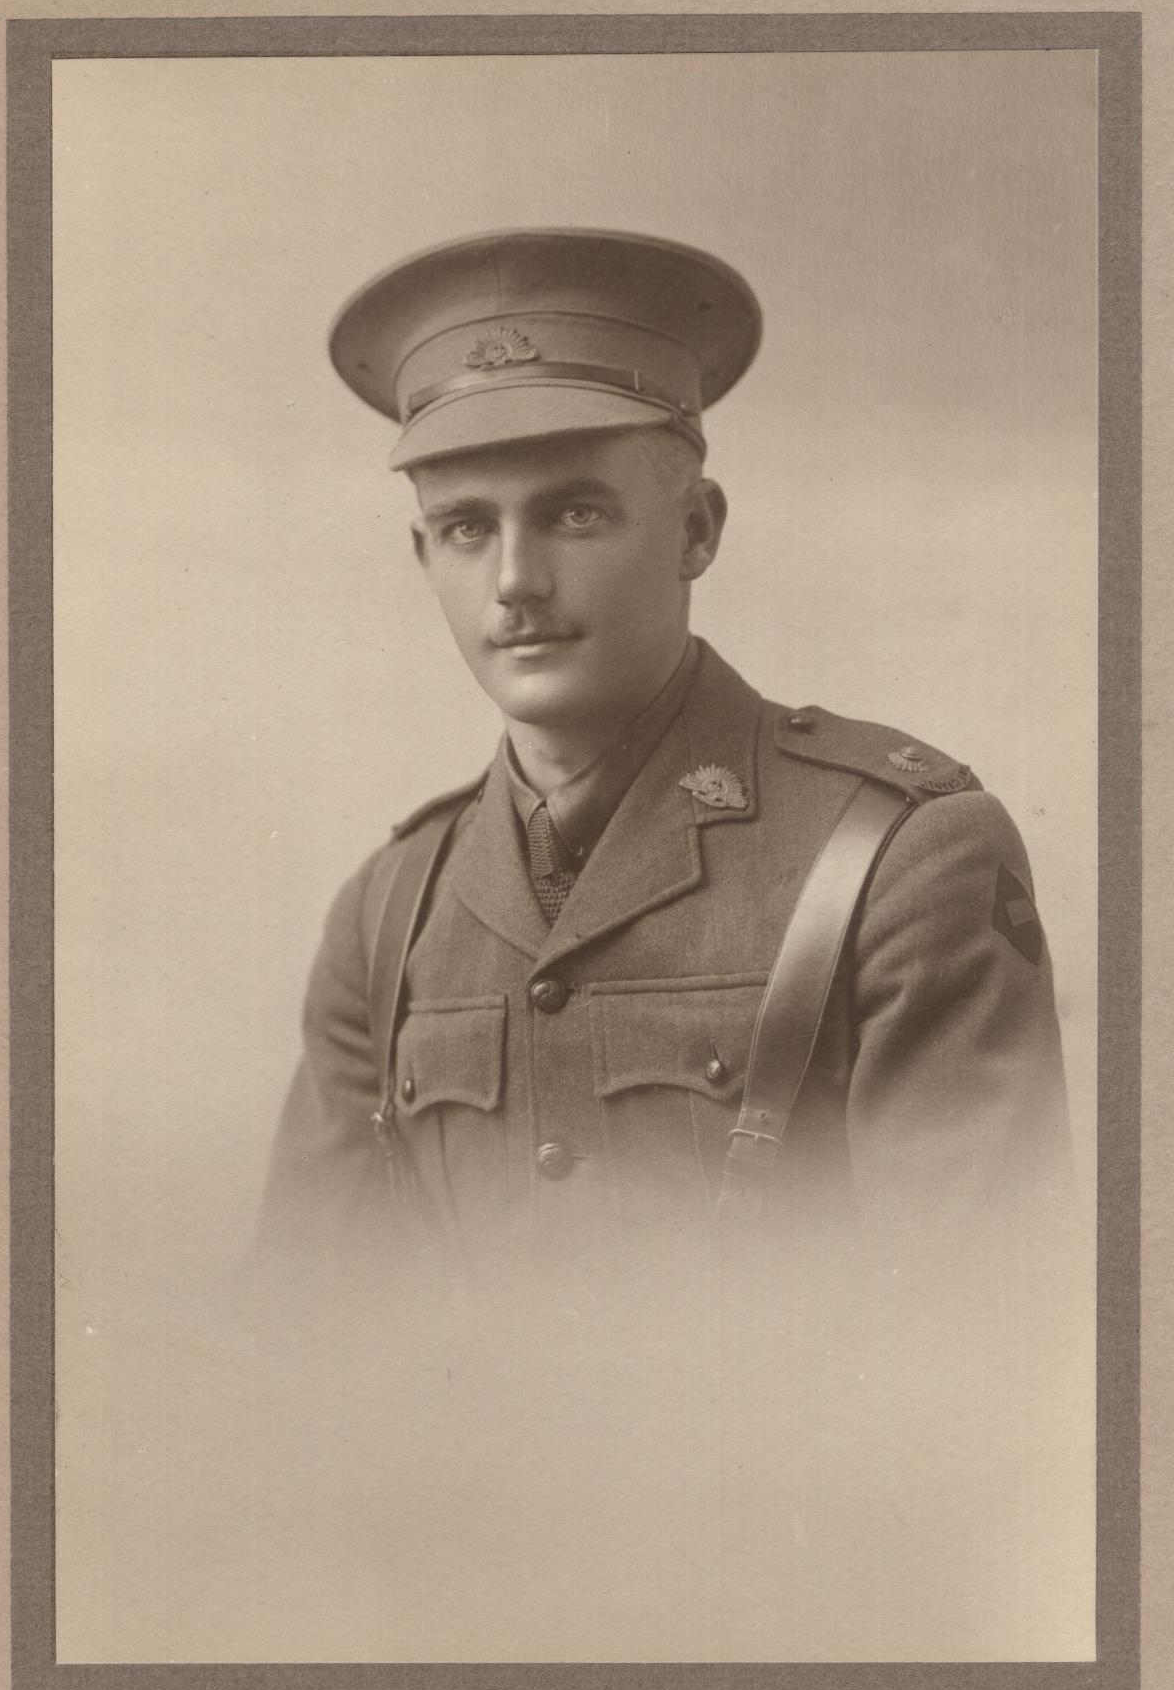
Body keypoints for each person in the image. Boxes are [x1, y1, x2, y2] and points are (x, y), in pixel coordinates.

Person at [257, 227, 1072, 1308]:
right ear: (422, 558)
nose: (515, 581)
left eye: (574, 513)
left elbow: (982, 1334)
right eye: (464, 528)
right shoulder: (388, 911)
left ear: (695, 530)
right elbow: (304, 1328)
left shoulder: (896, 857)